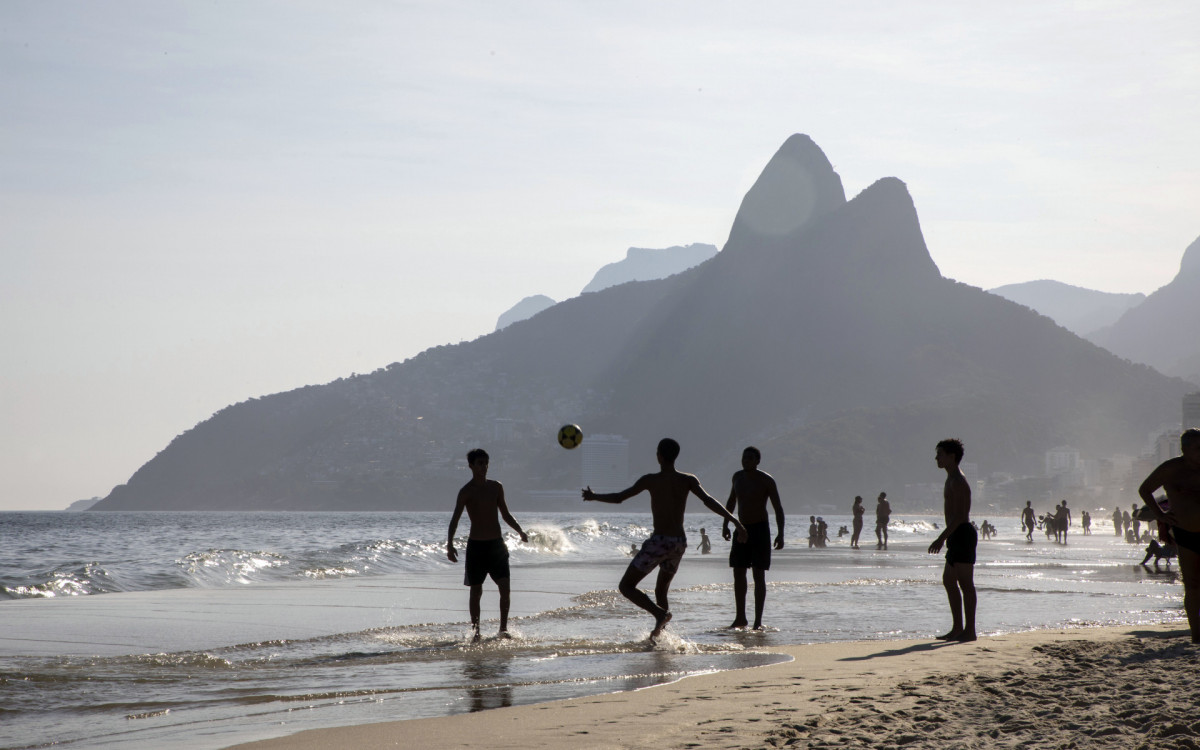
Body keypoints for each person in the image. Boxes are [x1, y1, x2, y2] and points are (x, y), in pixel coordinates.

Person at [582, 438, 747, 642]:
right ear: (675, 456)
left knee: (626, 586)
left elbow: (619, 498)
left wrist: (594, 496)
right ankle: (663, 636)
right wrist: (735, 521)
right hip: (679, 543)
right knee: (661, 590)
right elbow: (708, 501)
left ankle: (659, 615)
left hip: (660, 541)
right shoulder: (688, 479)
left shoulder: (650, 480)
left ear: (659, 456)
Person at [446, 448, 529, 641]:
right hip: (476, 547)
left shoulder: (496, 487)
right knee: (476, 591)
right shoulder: (466, 492)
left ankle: (503, 629)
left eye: (486, 463)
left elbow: (505, 514)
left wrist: (520, 531)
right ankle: (476, 632)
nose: (484, 467)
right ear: (471, 466)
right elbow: (455, 519)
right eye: (480, 463)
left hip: (496, 546)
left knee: (505, 587)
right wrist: (449, 544)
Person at [1138, 429, 1200, 643]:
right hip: (1185, 533)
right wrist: (1160, 514)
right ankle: (1197, 635)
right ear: (1185, 449)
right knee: (1192, 586)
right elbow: (1145, 489)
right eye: (1198, 448)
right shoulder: (1171, 469)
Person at [721, 446, 785, 630]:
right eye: (744, 457)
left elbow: (778, 508)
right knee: (738, 572)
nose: (746, 461)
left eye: (750, 458)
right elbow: (731, 501)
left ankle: (758, 621)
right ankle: (740, 618)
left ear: (758, 461)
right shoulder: (737, 477)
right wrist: (726, 524)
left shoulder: (766, 480)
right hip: (741, 529)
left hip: (760, 529)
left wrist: (781, 533)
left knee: (758, 574)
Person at [927, 438, 976, 642]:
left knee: (965, 584)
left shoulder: (958, 481)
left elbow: (961, 516)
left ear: (951, 456)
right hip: (956, 535)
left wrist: (941, 538)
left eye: (940, 454)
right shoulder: (950, 478)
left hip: (963, 533)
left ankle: (970, 630)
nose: (936, 458)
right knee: (948, 580)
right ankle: (957, 628)